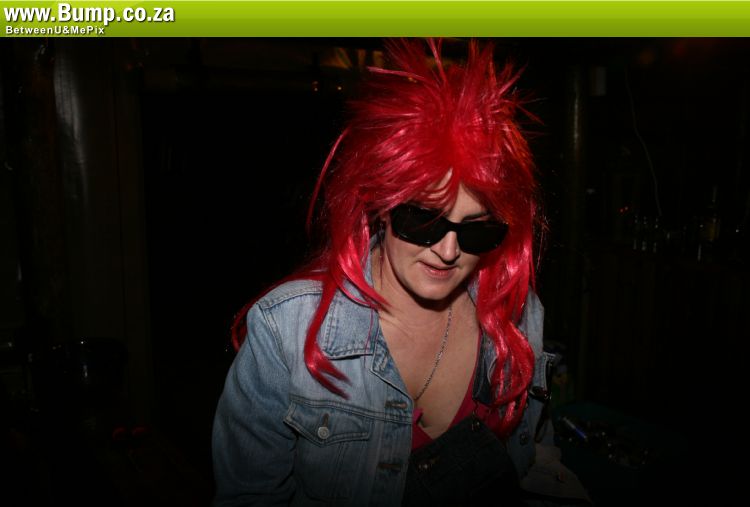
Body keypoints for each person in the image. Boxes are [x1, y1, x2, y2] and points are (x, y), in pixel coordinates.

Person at [212, 38, 589, 506]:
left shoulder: (516, 312)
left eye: (477, 230)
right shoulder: (284, 329)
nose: (449, 251)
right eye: (424, 220)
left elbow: (535, 451)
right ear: (381, 206)